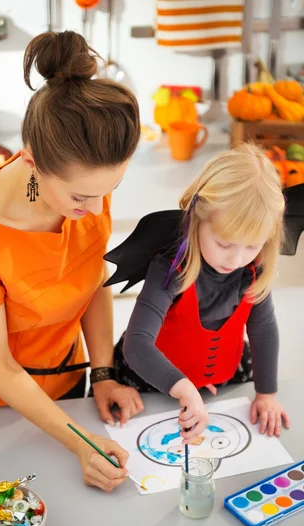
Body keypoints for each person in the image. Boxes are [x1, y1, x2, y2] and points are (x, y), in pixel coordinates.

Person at [0, 30, 144, 493]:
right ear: (31, 161)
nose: (96, 207)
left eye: (110, 190)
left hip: (66, 386)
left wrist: (103, 373)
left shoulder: (86, 198)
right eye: (83, 195)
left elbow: (93, 284)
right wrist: (80, 442)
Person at [104, 143, 290, 441]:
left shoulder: (253, 270)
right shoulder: (171, 268)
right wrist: (185, 387)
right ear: (196, 220)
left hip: (223, 377)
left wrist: (266, 394)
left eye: (252, 245)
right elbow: (137, 344)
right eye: (224, 243)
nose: (236, 260)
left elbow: (264, 332)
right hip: (151, 378)